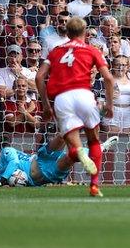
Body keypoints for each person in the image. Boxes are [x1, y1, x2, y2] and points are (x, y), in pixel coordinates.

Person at [35, 16, 115, 197]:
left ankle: (78, 151)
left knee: (72, 143)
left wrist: (46, 106)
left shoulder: (55, 51)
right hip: (84, 95)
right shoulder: (91, 49)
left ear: (67, 32)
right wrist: (109, 104)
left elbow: (39, 77)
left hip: (62, 99)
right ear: (85, 32)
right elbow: (109, 79)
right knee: (94, 140)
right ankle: (94, 185)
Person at [0, 135, 119, 187]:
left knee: (62, 138)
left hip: (40, 160)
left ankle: (73, 128)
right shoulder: (2, 174)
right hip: (48, 174)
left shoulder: (7, 153)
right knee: (71, 157)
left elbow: (15, 163)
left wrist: (2, 180)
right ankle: (96, 149)